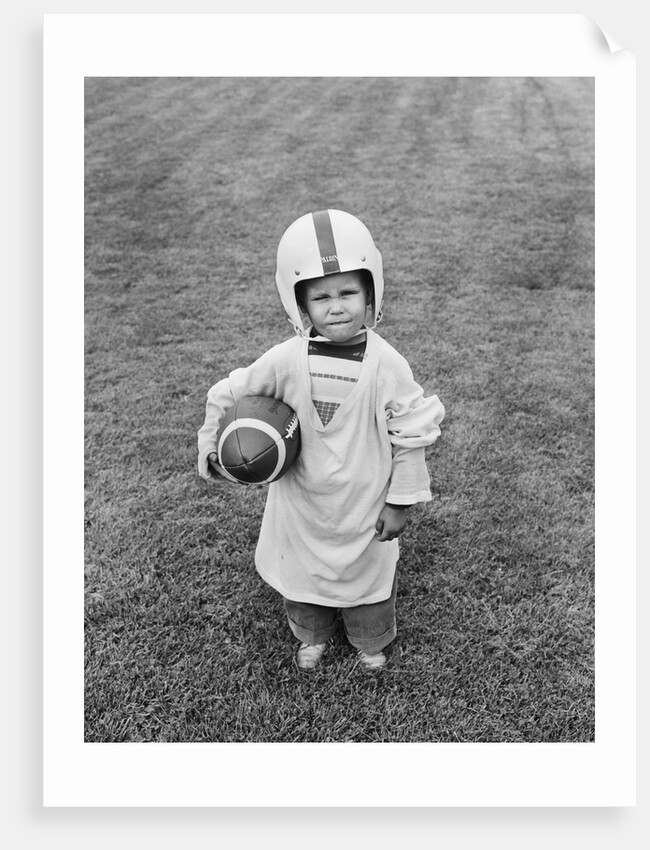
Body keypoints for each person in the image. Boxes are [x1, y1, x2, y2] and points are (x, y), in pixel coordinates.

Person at [197, 209, 445, 671]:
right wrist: (213, 442)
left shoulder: (387, 364)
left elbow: (412, 432)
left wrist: (400, 502)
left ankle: (370, 640)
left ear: (371, 293)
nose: (336, 306)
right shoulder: (285, 359)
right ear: (300, 304)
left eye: (348, 292)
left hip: (363, 503)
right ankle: (312, 635)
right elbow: (230, 391)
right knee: (303, 577)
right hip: (302, 504)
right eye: (321, 297)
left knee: (368, 581)